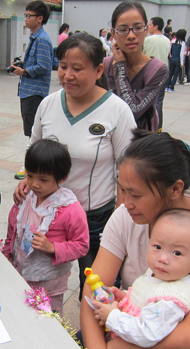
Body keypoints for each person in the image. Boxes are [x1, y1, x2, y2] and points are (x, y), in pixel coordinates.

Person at [80, 129, 190, 349]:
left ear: (175, 189)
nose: (125, 203)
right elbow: (93, 293)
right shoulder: (126, 216)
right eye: (122, 190)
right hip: (124, 331)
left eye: (136, 194)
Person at [14, 32, 136, 299]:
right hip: (48, 214)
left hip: (93, 217)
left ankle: (93, 336)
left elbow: (127, 168)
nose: (67, 75)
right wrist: (27, 179)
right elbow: (33, 151)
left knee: (95, 286)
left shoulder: (117, 111)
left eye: (77, 69)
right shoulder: (48, 104)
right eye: (63, 67)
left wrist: (120, 216)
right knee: (41, 279)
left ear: (98, 70)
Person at [93, 208, 190, 349]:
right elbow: (145, 301)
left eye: (177, 253)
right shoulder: (160, 275)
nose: (163, 258)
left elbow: (147, 333)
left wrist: (113, 316)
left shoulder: (171, 299)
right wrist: (125, 297)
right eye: (157, 246)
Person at [3, 139, 89, 315]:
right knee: (22, 312)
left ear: (62, 178)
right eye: (30, 175)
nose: (34, 184)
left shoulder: (69, 209)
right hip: (21, 270)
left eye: (43, 179)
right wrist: (7, 254)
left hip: (49, 281)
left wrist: (52, 247)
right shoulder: (27, 196)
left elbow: (82, 245)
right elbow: (14, 228)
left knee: (48, 318)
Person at [105, 2, 168, 131]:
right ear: (113, 33)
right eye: (122, 30)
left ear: (146, 30)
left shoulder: (157, 70)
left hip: (140, 145)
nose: (131, 36)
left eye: (138, 28)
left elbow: (132, 111)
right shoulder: (104, 65)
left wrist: (120, 67)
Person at [12, 0, 53, 180]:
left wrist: (25, 71)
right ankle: (35, 163)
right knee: (31, 130)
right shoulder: (35, 37)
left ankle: (31, 165)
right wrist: (22, 64)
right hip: (28, 90)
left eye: (29, 16)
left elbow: (44, 66)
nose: (26, 19)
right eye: (25, 15)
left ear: (40, 18)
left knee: (34, 131)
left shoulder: (42, 39)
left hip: (34, 92)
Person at [143, 16, 170, 130]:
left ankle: (148, 125)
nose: (148, 27)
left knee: (146, 100)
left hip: (149, 71)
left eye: (150, 24)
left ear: (156, 26)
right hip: (163, 72)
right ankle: (158, 127)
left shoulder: (148, 40)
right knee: (159, 101)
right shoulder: (167, 40)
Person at [165, 29, 187, 93]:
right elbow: (181, 53)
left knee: (170, 73)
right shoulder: (182, 43)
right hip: (178, 61)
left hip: (172, 59)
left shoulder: (173, 41)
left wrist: (171, 56)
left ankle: (167, 86)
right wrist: (182, 63)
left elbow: (170, 51)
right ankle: (172, 87)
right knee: (175, 75)